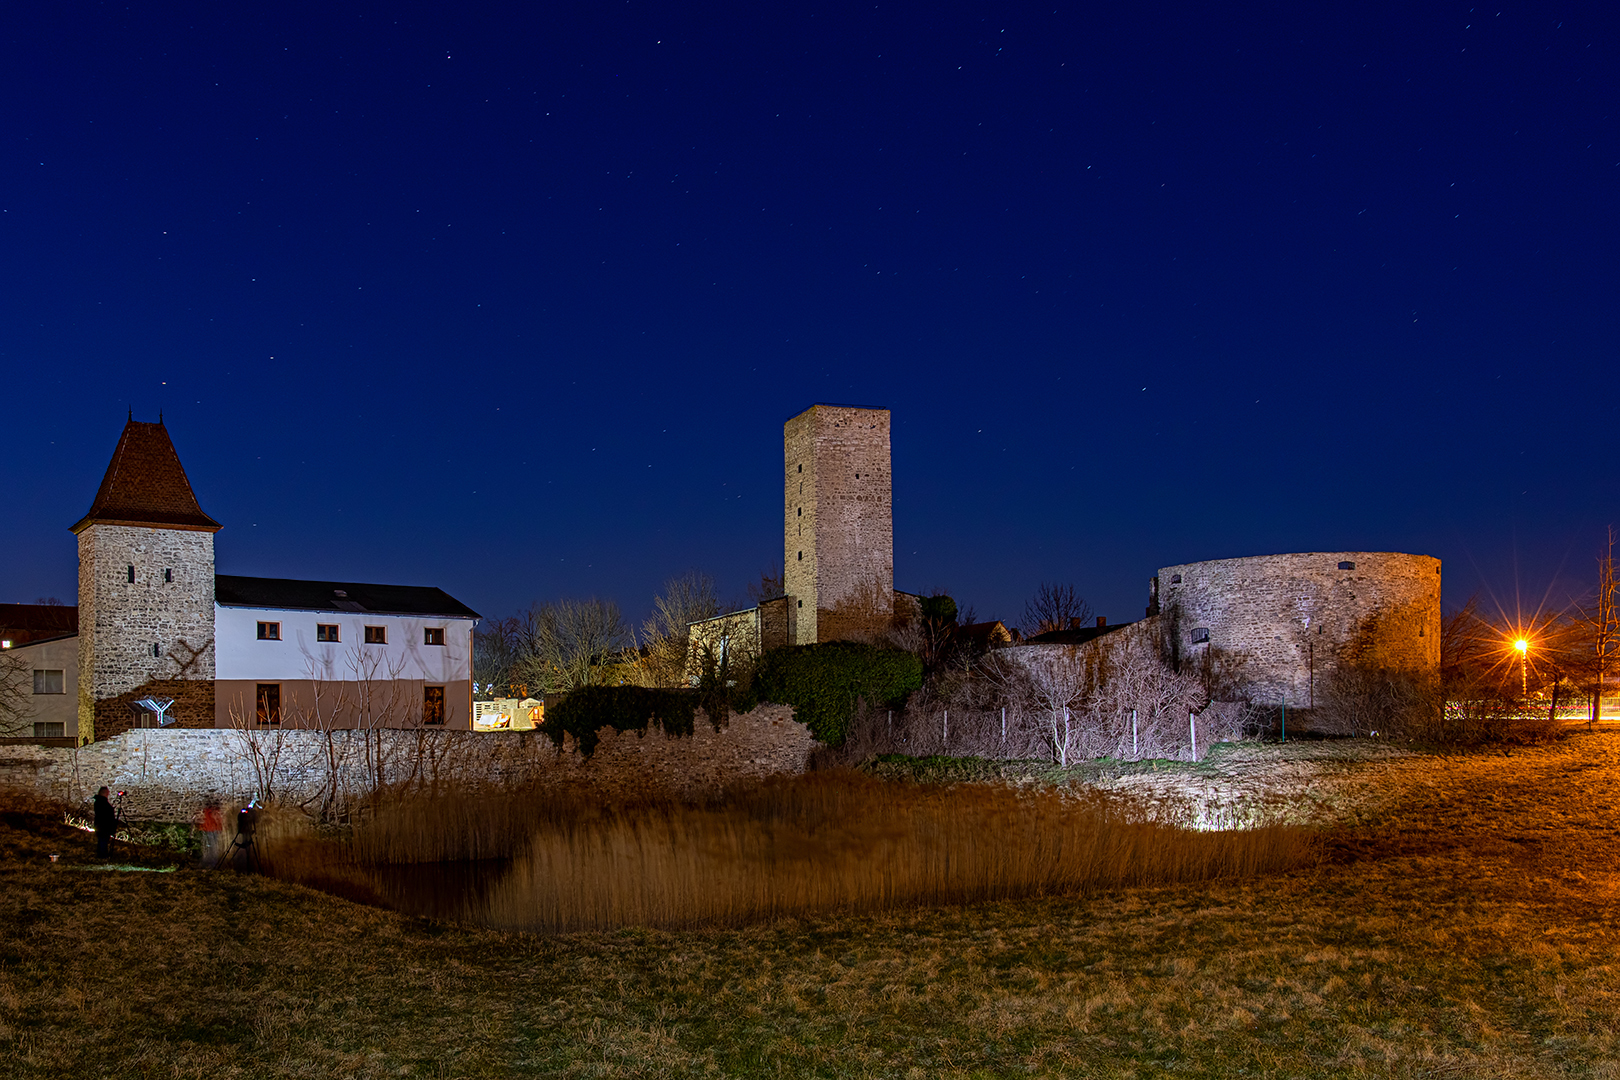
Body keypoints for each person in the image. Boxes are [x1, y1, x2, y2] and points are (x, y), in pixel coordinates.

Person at [93, 786, 117, 859]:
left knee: (103, 840)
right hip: (104, 826)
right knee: (103, 841)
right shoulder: (102, 803)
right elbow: (106, 814)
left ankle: (102, 855)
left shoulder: (99, 802)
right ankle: (102, 856)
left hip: (101, 825)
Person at [198, 798, 223, 869]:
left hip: (211, 830)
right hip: (212, 830)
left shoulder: (209, 812)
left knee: (212, 847)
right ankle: (211, 863)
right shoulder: (213, 812)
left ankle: (213, 863)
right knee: (212, 847)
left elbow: (208, 821)